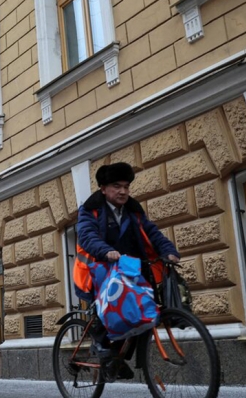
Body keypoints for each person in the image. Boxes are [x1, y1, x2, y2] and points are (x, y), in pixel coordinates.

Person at [76, 162, 180, 379]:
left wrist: (169, 251)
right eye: (117, 186)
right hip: (99, 270)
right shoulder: (90, 210)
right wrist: (106, 251)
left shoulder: (133, 211)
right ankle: (102, 346)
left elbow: (153, 233)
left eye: (126, 186)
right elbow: (87, 235)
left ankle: (117, 356)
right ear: (103, 188)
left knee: (143, 312)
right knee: (108, 308)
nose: (123, 191)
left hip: (130, 271)